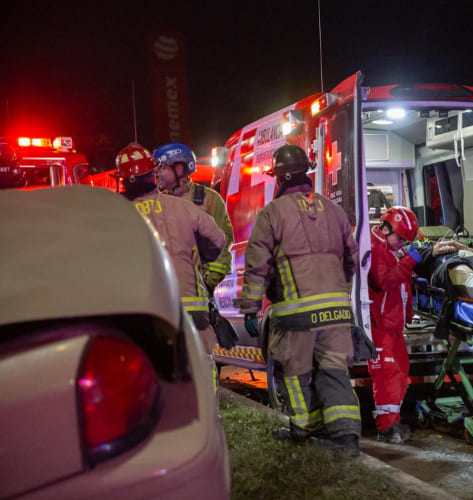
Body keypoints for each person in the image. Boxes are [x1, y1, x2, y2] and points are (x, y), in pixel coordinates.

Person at [238, 144, 361, 456]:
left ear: (279, 178)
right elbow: (352, 259)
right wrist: (341, 294)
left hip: (296, 314)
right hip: (336, 311)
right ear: (306, 172)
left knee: (295, 372)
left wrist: (251, 307)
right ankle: (346, 438)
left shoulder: (272, 213)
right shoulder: (334, 210)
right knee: (335, 371)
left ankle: (302, 429)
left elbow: (257, 266)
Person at [114, 142, 226, 354]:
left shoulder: (118, 216)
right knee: (200, 369)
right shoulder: (183, 207)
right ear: (152, 174)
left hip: (150, 316)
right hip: (193, 312)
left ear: (124, 181)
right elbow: (217, 241)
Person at [368, 205, 423, 444]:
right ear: (386, 228)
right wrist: (410, 261)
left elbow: (401, 286)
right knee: (387, 375)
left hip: (393, 325)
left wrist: (407, 314)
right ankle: (386, 428)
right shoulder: (374, 248)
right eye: (400, 239)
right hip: (380, 325)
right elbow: (385, 281)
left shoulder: (390, 249)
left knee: (401, 373)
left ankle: (393, 421)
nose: (402, 245)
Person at [153, 143, 233, 297]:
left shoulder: (210, 199)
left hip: (198, 294)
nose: (157, 173)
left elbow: (224, 245)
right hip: (164, 296)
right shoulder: (155, 204)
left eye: (161, 167)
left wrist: (208, 284)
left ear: (179, 169)